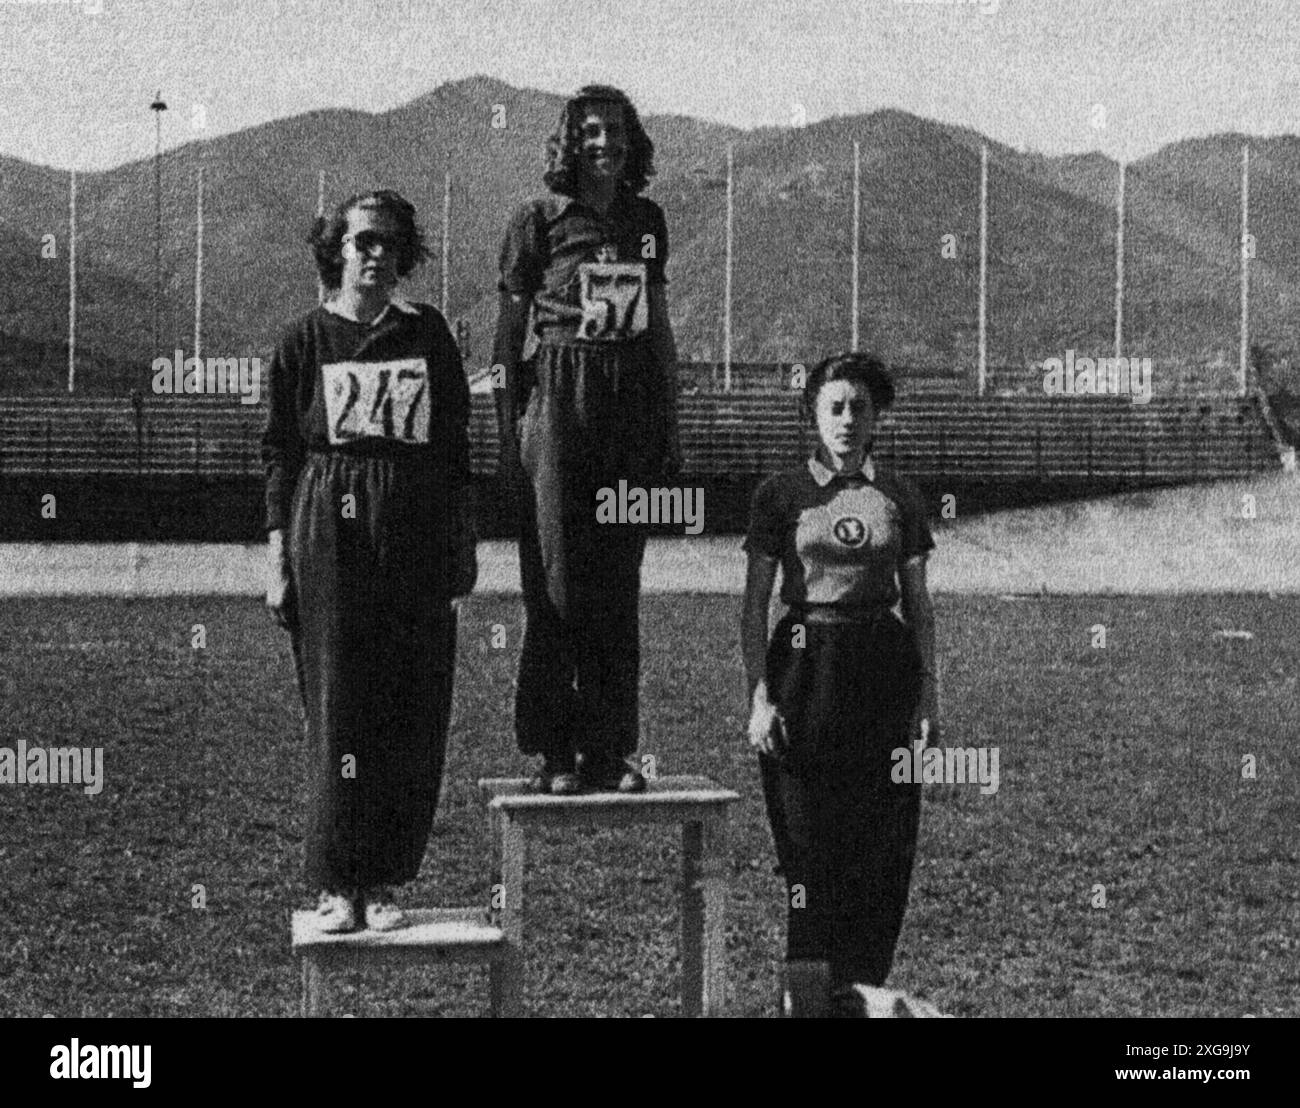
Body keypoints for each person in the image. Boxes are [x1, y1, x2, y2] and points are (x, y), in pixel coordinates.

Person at [263, 189, 476, 933]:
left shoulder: (428, 335)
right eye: (362, 242)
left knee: (407, 704)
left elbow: (455, 450)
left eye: (389, 242)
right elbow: (279, 456)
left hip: (413, 529)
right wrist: (277, 558)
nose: (376, 254)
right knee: (338, 706)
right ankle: (336, 884)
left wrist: (461, 543)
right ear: (336, 251)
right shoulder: (303, 340)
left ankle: (385, 880)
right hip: (328, 526)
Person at [492, 85, 681, 795]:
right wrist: (510, 435)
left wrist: (670, 416)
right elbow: (509, 339)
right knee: (558, 579)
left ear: (632, 144)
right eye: (593, 131)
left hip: (627, 401)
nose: (605, 143)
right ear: (572, 142)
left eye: (617, 132)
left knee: (616, 581)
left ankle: (609, 747)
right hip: (558, 399)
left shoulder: (646, 219)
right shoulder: (537, 220)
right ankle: (556, 751)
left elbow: (657, 322)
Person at [740, 353, 939, 1016]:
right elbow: (752, 604)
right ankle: (805, 1002)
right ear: (814, 416)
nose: (848, 420)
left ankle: (858, 999)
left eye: (860, 408)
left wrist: (928, 701)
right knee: (807, 856)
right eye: (835, 407)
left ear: (877, 417)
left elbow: (918, 602)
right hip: (805, 670)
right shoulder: (781, 495)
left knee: (879, 854)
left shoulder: (901, 498)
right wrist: (761, 698)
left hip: (881, 673)